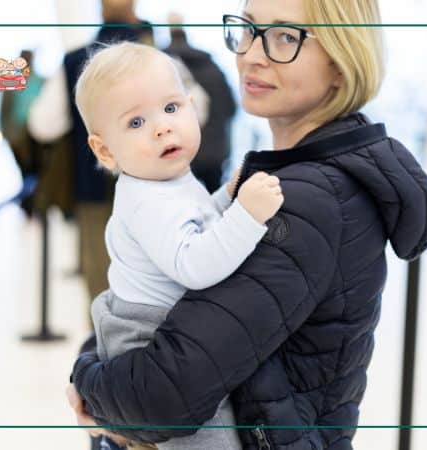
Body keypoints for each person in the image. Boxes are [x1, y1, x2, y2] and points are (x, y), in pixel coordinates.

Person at [68, 1, 427, 449]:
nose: (252, 54)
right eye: (248, 30)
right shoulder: (295, 179)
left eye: (285, 37)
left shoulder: (306, 201)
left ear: (342, 62)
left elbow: (166, 396)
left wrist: (89, 381)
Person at [74, 41, 284, 450]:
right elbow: (194, 264)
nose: (161, 127)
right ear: (104, 150)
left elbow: (199, 222)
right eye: (136, 123)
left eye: (171, 109)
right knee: (205, 433)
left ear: (192, 106)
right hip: (149, 337)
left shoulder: (167, 180)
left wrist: (228, 196)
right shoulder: (146, 199)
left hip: (166, 329)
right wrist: (247, 215)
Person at [28, 0, 154, 301]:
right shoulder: (158, 59)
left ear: (100, 10)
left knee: (102, 288)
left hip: (93, 188)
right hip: (155, 190)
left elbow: (42, 124)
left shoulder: (75, 61)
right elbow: (196, 112)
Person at [164, 13, 237, 193]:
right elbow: (231, 108)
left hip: (178, 155)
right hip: (215, 154)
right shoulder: (212, 68)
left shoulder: (162, 70)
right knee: (216, 205)